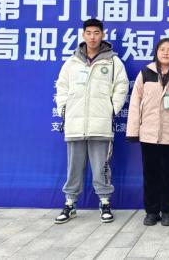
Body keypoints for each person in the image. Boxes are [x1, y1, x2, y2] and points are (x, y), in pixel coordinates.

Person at [54, 18, 129, 224]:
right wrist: (64, 109)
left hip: (100, 125)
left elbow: (121, 86)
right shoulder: (72, 62)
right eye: (89, 33)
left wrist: (112, 108)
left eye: (96, 33)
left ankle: (104, 203)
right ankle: (70, 204)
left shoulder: (112, 62)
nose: (93, 37)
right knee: (74, 167)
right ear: (83, 35)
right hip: (75, 124)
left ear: (102, 35)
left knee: (101, 167)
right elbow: (61, 86)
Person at [126, 38, 169, 226]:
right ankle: (151, 212)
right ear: (156, 52)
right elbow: (135, 103)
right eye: (162, 49)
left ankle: (167, 211)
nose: (165, 53)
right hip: (148, 135)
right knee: (150, 175)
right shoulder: (145, 73)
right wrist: (133, 131)